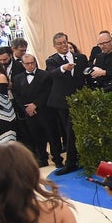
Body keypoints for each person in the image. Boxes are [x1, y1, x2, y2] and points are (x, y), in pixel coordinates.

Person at [45, 32, 88, 174]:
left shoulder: (81, 58)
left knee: (77, 131)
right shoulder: (52, 61)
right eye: (59, 43)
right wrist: (64, 68)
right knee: (68, 132)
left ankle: (78, 159)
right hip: (62, 103)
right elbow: (51, 74)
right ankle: (71, 162)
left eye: (64, 42)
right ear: (54, 46)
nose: (63, 45)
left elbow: (84, 76)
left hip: (80, 100)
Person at [11, 53, 58, 166]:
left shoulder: (45, 75)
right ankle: (42, 158)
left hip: (45, 111)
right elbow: (17, 95)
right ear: (22, 64)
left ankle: (57, 158)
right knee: (36, 136)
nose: (30, 65)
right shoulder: (17, 79)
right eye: (27, 63)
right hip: (30, 113)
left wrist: (35, 104)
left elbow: (47, 92)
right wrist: (26, 108)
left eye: (32, 63)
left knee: (52, 135)